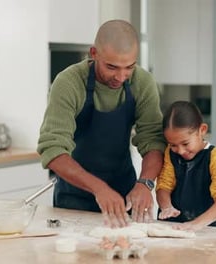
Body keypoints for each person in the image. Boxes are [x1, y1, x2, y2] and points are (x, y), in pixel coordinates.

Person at [37, 20, 166, 228]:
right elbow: (52, 149)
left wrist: (145, 183)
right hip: (73, 200)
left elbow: (154, 140)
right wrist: (99, 189)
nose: (121, 77)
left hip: (125, 197)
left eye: (129, 67)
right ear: (94, 53)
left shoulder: (142, 82)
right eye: (112, 67)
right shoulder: (69, 83)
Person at [156, 101, 216, 231]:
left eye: (185, 144)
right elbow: (164, 186)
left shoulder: (215, 156)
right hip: (171, 227)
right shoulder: (170, 153)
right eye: (173, 145)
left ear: (202, 130)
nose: (180, 151)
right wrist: (166, 207)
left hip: (203, 229)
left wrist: (197, 224)